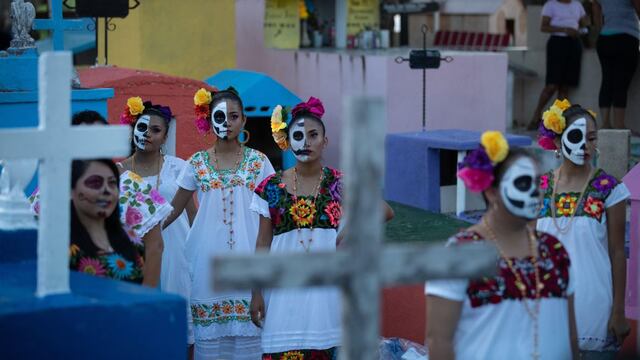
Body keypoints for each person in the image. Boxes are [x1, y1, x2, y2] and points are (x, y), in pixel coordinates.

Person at [249, 98, 394, 359]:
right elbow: (262, 243)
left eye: (313, 135)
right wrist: (256, 292)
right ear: (287, 141)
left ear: (325, 141)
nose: (306, 142)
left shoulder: (339, 183)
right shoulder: (269, 187)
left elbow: (384, 210)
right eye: (298, 135)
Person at [426, 131, 578, 359]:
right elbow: (439, 341)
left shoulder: (554, 250)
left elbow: (570, 334)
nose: (535, 192)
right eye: (524, 183)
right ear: (492, 191)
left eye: (538, 182)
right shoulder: (459, 254)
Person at [165, 87, 275, 360]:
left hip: (251, 264)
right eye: (220, 116)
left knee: (250, 344)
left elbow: (273, 214)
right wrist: (139, 232)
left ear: (244, 120)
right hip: (208, 267)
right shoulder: (196, 163)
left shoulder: (259, 162)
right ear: (209, 119)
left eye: (234, 116)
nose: (227, 122)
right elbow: (173, 209)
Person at [28, 110, 170, 288]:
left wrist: (145, 299)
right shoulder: (50, 188)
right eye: (83, 139)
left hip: (125, 291)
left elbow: (155, 247)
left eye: (97, 139)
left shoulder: (136, 186)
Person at [536, 100, 630, 358]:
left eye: (591, 138)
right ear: (557, 142)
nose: (585, 146)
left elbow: (617, 252)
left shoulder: (609, 189)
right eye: (576, 136)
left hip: (595, 311)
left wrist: (619, 311)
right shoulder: (539, 187)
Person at [118, 97, 197, 350]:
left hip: (177, 253)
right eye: (142, 128)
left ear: (165, 138)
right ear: (133, 130)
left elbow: (192, 213)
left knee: (182, 328)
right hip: (138, 253)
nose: (147, 134)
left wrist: (197, 255)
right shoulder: (118, 172)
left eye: (155, 130)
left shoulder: (178, 169)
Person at [528, 0, 589, 130]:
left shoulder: (577, 5)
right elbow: (543, 26)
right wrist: (565, 29)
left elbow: (586, 23)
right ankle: (536, 115)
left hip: (573, 44)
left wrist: (581, 29)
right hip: (557, 43)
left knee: (565, 86)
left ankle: (559, 123)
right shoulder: (551, 5)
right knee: (552, 85)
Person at [592, 0, 640, 130]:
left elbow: (596, 9)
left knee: (607, 80)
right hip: (627, 37)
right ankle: (619, 126)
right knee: (621, 82)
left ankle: (606, 124)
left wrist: (601, 29)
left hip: (605, 38)